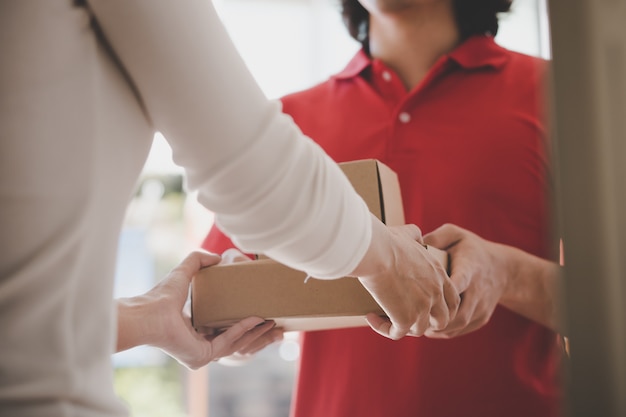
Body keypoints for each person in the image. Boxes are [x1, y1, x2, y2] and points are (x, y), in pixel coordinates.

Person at [0, 1, 460, 416]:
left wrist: (146, 317)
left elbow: (20, 331)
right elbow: (251, 172)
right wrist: (386, 257)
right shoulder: (302, 112)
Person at [202, 0, 564, 416]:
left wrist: (506, 272)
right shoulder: (287, 123)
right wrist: (231, 339)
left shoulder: (561, 94)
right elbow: (212, 309)